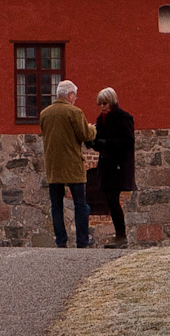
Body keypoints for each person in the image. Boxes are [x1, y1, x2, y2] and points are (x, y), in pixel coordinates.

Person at [39, 79, 95, 248]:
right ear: (70, 95)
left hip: (53, 166)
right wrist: (92, 128)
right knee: (80, 204)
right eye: (75, 96)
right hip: (73, 165)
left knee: (56, 206)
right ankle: (82, 241)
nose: (75, 100)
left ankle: (61, 241)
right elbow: (85, 135)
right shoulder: (74, 112)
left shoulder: (45, 114)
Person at [90, 87, 136, 248]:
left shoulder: (123, 118)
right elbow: (99, 141)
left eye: (105, 103)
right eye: (100, 104)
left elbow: (128, 141)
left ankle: (121, 235)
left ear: (112, 102)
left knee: (112, 198)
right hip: (107, 164)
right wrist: (94, 143)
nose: (102, 107)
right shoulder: (101, 119)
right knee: (110, 199)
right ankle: (120, 235)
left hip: (118, 165)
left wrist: (107, 143)